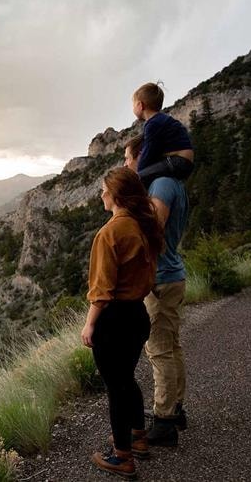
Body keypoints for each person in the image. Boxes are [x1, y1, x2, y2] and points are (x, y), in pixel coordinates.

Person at [82, 167, 164, 479]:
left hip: (114, 320)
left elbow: (101, 291)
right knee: (127, 379)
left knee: (116, 389)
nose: (101, 194)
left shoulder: (110, 233)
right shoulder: (145, 226)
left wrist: (90, 325)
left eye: (104, 190)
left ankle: (122, 457)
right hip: (137, 315)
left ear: (116, 196)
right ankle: (138, 437)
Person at [125, 135, 190, 447]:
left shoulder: (161, 184)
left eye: (128, 159)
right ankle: (175, 407)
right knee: (172, 345)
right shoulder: (172, 183)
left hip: (161, 279)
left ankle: (163, 421)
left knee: (159, 349)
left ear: (142, 156)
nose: (126, 165)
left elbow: (155, 229)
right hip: (172, 274)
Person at [132, 82, 195, 187]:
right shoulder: (161, 119)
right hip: (182, 161)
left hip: (178, 162)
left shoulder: (153, 123)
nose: (133, 108)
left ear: (140, 105)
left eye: (133, 105)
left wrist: (139, 172)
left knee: (137, 180)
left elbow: (149, 152)